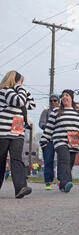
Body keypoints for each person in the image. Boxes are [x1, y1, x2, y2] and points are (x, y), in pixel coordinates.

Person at [40, 89, 79, 193]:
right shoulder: (56, 111)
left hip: (73, 142)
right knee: (64, 160)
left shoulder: (78, 112)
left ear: (71, 98)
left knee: (69, 164)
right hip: (60, 140)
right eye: (63, 96)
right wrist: (44, 140)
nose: (64, 97)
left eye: (67, 95)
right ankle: (67, 182)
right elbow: (49, 127)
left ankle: (62, 185)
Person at [0, 70, 35, 198]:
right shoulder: (4, 90)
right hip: (3, 132)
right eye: (20, 81)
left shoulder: (17, 93)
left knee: (17, 160)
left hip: (17, 131)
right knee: (1, 161)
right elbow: (20, 102)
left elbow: (31, 104)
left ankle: (20, 188)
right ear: (13, 80)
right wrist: (19, 88)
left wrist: (21, 91)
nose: (21, 84)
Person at [39, 93, 60, 190]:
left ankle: (61, 180)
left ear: (59, 102)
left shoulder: (61, 112)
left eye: (55, 100)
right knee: (48, 161)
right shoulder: (46, 112)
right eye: (51, 101)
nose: (53, 102)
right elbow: (41, 123)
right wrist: (49, 127)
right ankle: (48, 182)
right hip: (49, 139)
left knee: (62, 161)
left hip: (60, 139)